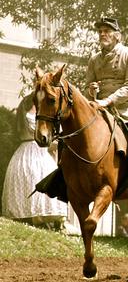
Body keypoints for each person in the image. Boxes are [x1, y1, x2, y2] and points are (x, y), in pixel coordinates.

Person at [86, 17, 128, 202]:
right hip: (98, 107)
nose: (102, 34)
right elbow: (87, 85)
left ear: (117, 36)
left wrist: (108, 100)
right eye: (100, 31)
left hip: (125, 107)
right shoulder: (94, 59)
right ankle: (64, 175)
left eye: (107, 31)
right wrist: (91, 90)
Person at [2, 94, 67, 229]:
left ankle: (50, 219)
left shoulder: (47, 109)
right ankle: (27, 215)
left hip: (41, 151)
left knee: (43, 177)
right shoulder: (25, 105)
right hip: (25, 150)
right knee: (26, 178)